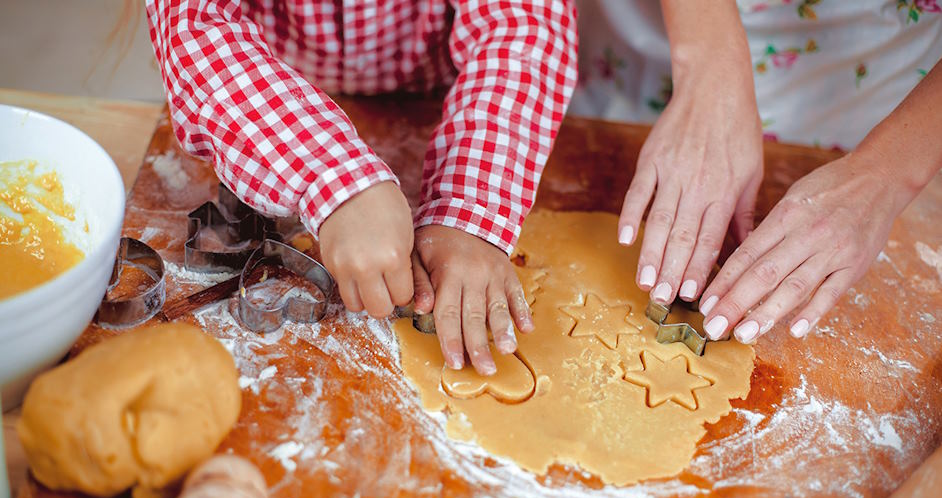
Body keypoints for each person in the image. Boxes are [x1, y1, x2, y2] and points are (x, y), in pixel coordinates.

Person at [145, 1, 578, 375]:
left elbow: (522, 25)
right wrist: (330, 176)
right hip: (268, 105)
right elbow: (195, 28)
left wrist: (468, 207)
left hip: (451, 98)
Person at [572, 0, 942, 344]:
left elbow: (892, 167)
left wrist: (884, 173)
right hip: (657, 46)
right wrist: (705, 60)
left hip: (872, 88)